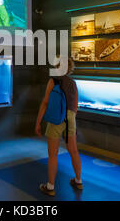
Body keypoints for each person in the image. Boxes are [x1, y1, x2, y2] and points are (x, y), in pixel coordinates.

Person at [35, 57, 82, 196]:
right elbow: (75, 106)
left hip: (56, 119)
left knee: (53, 154)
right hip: (71, 119)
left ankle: (50, 187)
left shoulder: (53, 81)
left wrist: (38, 122)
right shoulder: (73, 83)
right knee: (73, 151)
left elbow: (45, 103)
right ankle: (78, 180)